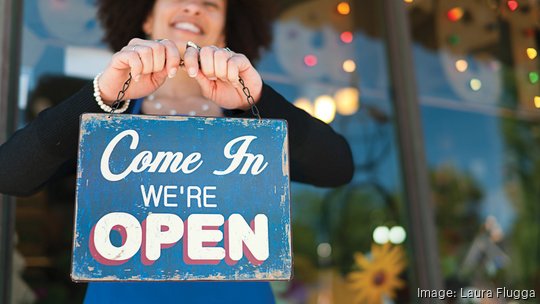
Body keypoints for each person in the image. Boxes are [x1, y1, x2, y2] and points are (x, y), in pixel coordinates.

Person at [0, 0, 354, 303]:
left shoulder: (250, 114)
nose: (194, 6)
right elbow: (12, 173)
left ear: (225, 31)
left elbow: (336, 167)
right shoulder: (107, 108)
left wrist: (256, 99)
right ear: (146, 18)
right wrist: (102, 97)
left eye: (211, 4)